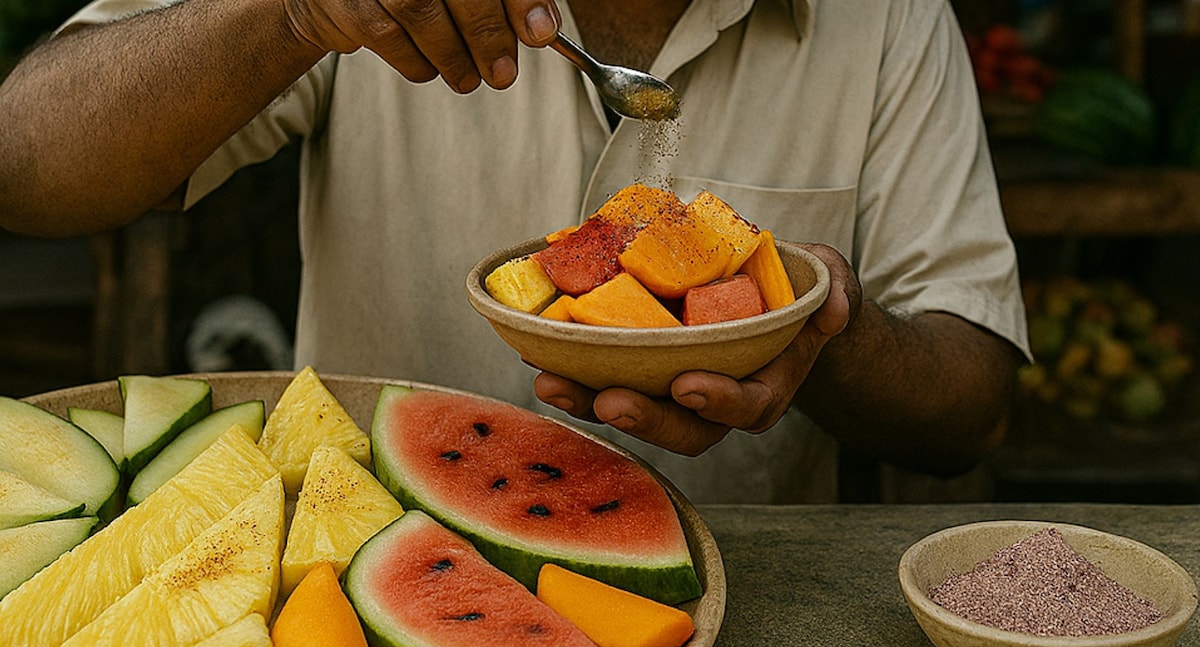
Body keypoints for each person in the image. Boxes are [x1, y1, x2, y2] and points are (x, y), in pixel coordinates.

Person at [0, 0, 1030, 503]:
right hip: (367, 552)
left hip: (724, 599)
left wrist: (819, 328)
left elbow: (972, 404)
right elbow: (26, 159)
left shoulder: (889, 16)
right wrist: (296, 16)